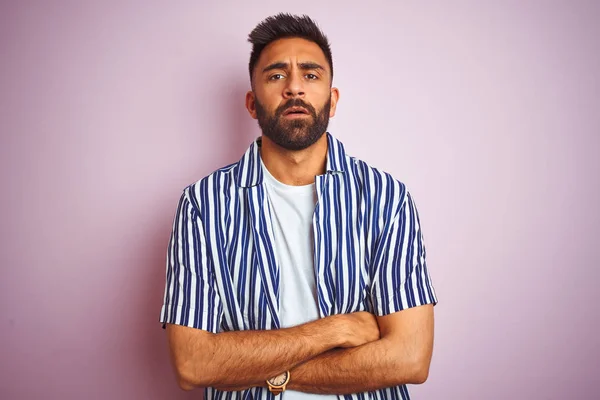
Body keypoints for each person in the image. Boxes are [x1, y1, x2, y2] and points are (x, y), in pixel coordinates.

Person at [160, 13, 438, 400]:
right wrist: (335, 329)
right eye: (276, 76)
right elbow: (192, 364)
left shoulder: (385, 198)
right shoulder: (203, 206)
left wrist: (263, 370)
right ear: (252, 103)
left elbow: (410, 358)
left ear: (332, 99)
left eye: (310, 75)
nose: (294, 88)